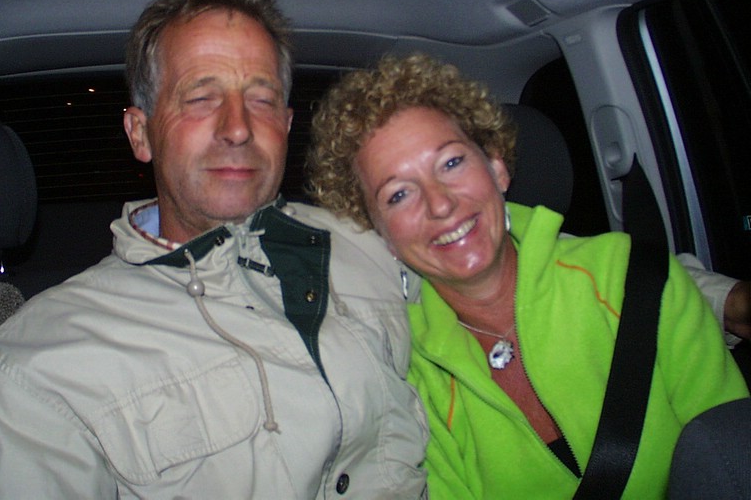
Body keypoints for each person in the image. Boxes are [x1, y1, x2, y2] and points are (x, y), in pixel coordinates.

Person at [0, 0, 428, 499]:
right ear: (141, 134)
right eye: (201, 98)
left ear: (288, 125)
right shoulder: (35, 371)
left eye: (261, 99)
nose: (238, 127)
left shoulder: (378, 245)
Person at [306, 53, 750, 499]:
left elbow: (734, 462)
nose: (440, 204)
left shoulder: (636, 280)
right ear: (380, 235)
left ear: (496, 167)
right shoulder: (406, 374)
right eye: (399, 194)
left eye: (452, 163)